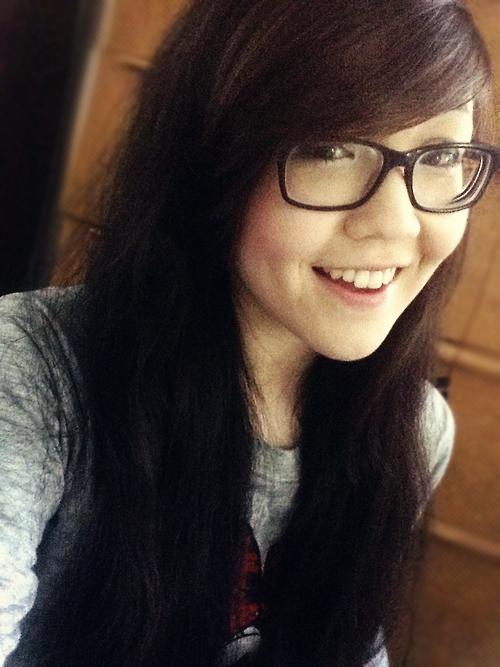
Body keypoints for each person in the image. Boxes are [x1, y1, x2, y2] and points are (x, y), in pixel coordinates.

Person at [0, 0, 498, 665]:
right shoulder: (33, 373)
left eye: (441, 155)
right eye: (331, 149)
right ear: (210, 159)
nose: (398, 225)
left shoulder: (413, 428)